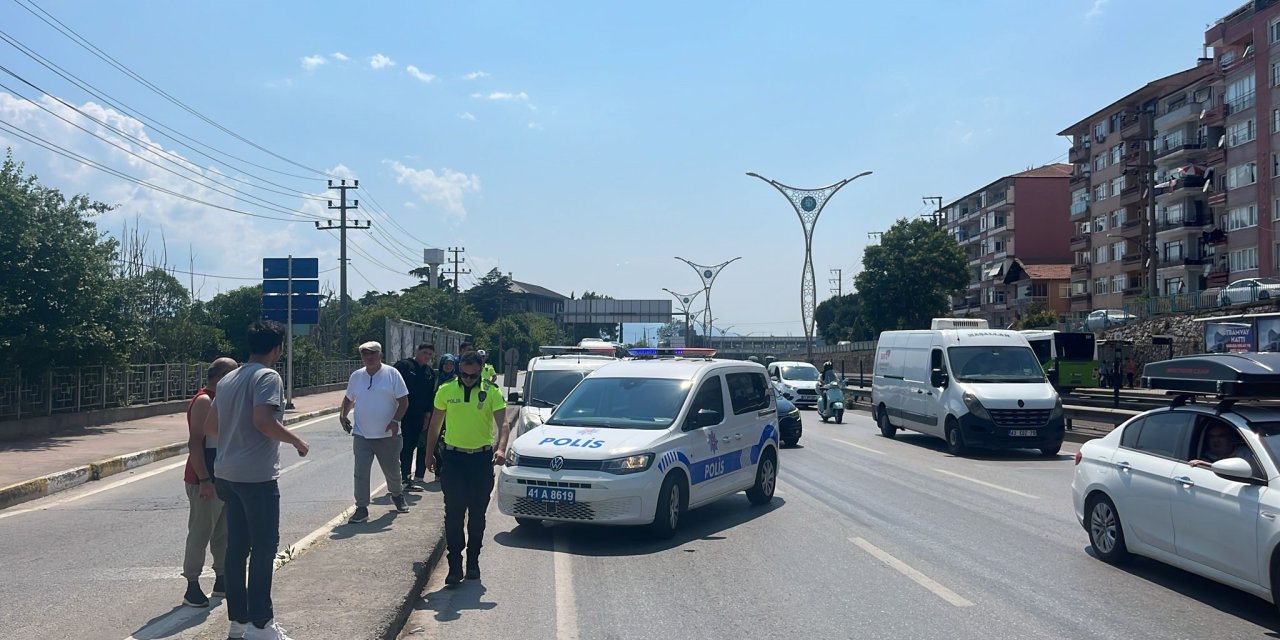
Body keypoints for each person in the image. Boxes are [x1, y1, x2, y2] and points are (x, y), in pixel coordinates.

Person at [205, 320, 309, 640]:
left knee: (237, 549)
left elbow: (211, 426)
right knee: (264, 550)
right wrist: (296, 441)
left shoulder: (228, 379)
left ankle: (238, 622)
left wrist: (237, 436)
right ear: (277, 349)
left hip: (226, 474)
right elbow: (263, 420)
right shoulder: (268, 376)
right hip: (256, 478)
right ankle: (262, 625)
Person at [426, 351, 509, 585]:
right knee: (453, 515)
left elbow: (503, 423)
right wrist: (429, 454)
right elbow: (435, 424)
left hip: (481, 460)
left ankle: (473, 562)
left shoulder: (491, 392)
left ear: (480, 370)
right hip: (453, 459)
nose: (468, 379)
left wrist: (501, 448)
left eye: (472, 376)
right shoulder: (446, 390)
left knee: (477, 516)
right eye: (464, 374)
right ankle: (454, 565)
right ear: (459, 370)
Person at [181, 357, 237, 609]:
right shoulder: (205, 401)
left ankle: (221, 579)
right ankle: (192, 584)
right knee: (201, 531)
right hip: (204, 477)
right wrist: (204, 479)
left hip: (222, 476)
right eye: (233, 374)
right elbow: (195, 443)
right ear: (221, 375)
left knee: (223, 532)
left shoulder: (222, 399)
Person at [341, 341, 410, 523]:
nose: (369, 357)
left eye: (372, 353)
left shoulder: (392, 374)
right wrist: (343, 415)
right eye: (365, 354)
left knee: (392, 471)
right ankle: (361, 508)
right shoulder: (356, 376)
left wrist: (395, 421)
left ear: (380, 355)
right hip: (362, 433)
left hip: (388, 434)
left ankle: (397, 494)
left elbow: (403, 401)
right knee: (360, 472)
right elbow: (348, 398)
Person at [393, 343, 437, 490]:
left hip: (419, 416)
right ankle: (402, 478)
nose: (427, 356)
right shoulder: (404, 366)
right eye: (425, 353)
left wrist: (427, 416)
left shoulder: (429, 372)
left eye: (430, 354)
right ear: (417, 351)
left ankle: (409, 478)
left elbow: (430, 396)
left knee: (417, 446)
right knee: (404, 448)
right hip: (402, 414)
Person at [1190, 423, 1258, 474]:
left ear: (1230, 438)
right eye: (1212, 436)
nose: (1216, 440)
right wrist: (1207, 465)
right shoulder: (1204, 459)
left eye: (1221, 436)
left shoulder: (1247, 454)